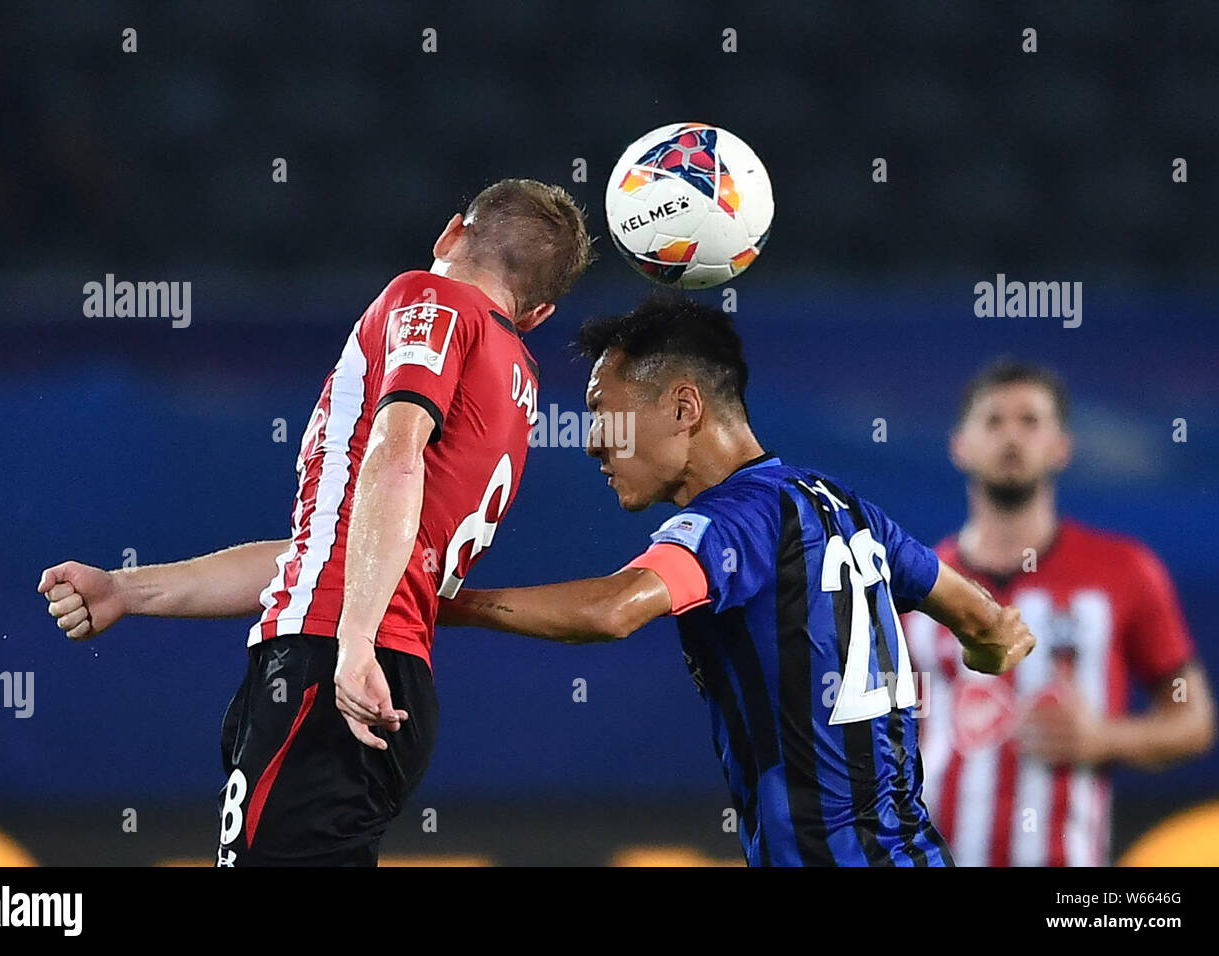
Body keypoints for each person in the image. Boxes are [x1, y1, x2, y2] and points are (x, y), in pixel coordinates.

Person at [37, 179, 593, 865]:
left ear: (451, 233)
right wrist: (128, 590)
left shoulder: (433, 297)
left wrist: (353, 639)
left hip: (334, 665)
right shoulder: (515, 378)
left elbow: (396, 453)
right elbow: (327, 547)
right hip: (383, 667)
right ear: (539, 312)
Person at [438, 295, 1036, 866]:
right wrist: (990, 647)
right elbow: (987, 623)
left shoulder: (735, 521)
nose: (593, 441)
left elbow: (614, 609)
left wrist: (443, 604)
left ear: (683, 409)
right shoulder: (846, 508)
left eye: (603, 414)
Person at [905, 359, 1216, 867]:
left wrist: (1104, 737)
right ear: (958, 444)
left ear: (1061, 446)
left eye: (1030, 421)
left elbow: (1195, 722)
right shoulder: (916, 586)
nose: (1011, 437)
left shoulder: (1125, 571)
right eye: (993, 421)